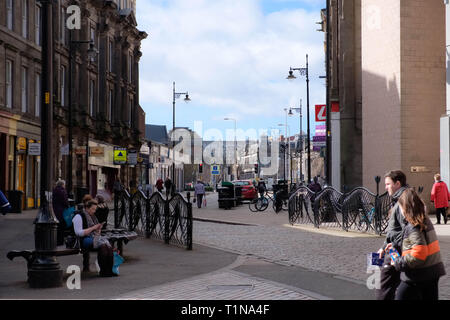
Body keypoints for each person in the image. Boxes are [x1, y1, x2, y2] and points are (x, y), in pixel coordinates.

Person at [388, 188, 446, 300]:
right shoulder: (424, 220)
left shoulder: (413, 225)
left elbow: (419, 254)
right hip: (432, 271)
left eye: (400, 207)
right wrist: (397, 246)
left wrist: (397, 262)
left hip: (417, 275)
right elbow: (418, 244)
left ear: (405, 207)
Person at [375, 170, 408, 300]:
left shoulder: (403, 201)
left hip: (397, 251)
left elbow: (407, 230)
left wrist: (391, 246)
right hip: (395, 250)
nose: (385, 187)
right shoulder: (398, 199)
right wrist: (383, 247)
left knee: (383, 286)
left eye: (388, 184)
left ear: (397, 183)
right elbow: (393, 230)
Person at [72, 197, 116, 277]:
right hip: (83, 240)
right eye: (92, 209)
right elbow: (79, 233)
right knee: (103, 246)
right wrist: (93, 228)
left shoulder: (93, 217)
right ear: (86, 208)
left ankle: (109, 271)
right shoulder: (78, 216)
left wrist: (98, 229)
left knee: (108, 246)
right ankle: (103, 271)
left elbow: (96, 231)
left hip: (93, 237)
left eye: (95, 209)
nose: (94, 211)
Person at [52, 179, 69, 246]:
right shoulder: (62, 191)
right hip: (61, 211)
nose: (65, 186)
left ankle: (56, 240)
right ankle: (60, 241)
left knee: (57, 227)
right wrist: (68, 206)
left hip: (55, 210)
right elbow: (65, 201)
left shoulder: (55, 190)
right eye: (64, 185)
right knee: (61, 227)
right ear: (62, 185)